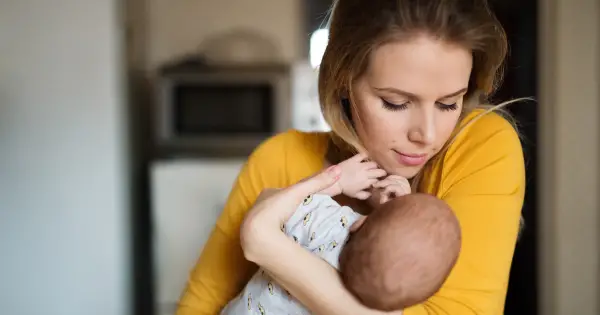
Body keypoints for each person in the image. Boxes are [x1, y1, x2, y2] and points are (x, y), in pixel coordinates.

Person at [176, 0, 526, 314]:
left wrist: (266, 243)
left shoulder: (483, 146)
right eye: (396, 102)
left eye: (449, 103)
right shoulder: (279, 159)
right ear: (343, 80)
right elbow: (199, 306)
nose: (428, 135)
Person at [219, 156, 461, 314]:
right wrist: (392, 217)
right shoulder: (390, 304)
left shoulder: (331, 226)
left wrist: (334, 183)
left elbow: (269, 205)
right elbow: (396, 247)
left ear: (360, 223)